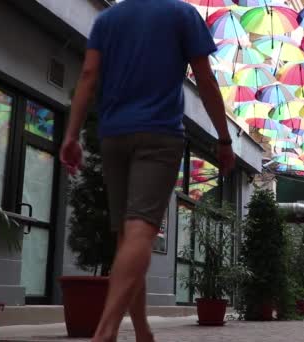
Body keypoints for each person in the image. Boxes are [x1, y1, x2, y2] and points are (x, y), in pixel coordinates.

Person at [60, 1, 235, 341]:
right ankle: (106, 330)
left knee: (127, 237)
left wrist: (71, 134)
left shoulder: (107, 19)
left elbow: (88, 75)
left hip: (112, 134)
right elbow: (205, 77)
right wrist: (224, 139)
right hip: (159, 133)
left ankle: (142, 330)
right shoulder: (182, 14)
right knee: (141, 229)